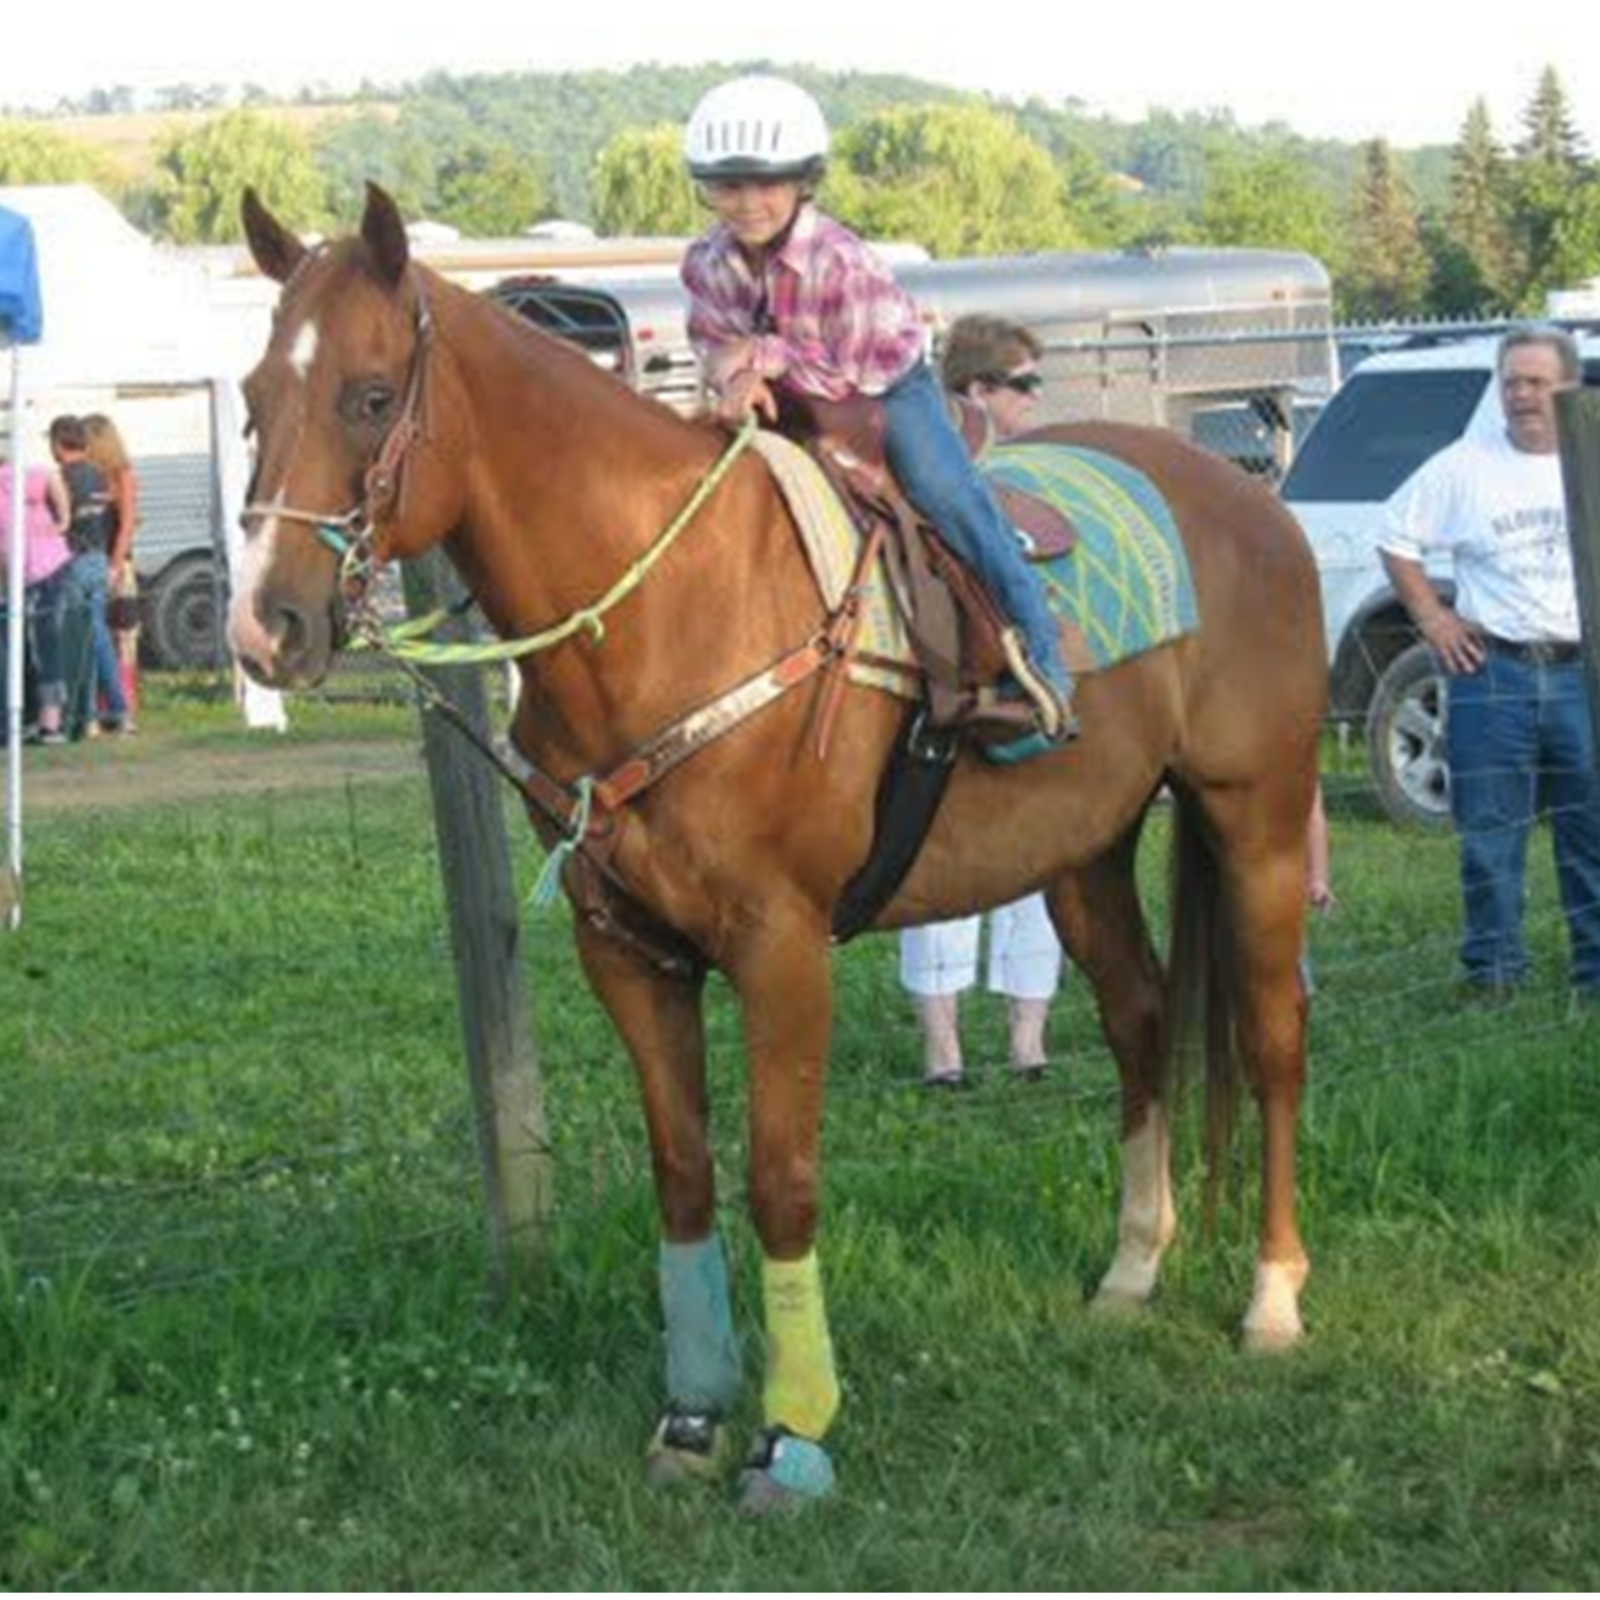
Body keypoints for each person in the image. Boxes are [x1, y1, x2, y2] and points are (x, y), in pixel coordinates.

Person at [679, 74, 1073, 762]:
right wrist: (732, 376)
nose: (747, 203)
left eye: (766, 183)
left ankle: (1041, 658)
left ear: (804, 181)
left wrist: (762, 355)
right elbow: (712, 342)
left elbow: (853, 372)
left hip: (883, 390)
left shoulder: (839, 259)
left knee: (951, 499)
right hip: (783, 396)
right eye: (728, 185)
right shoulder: (706, 262)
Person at [1380, 324, 1600, 1002]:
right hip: (1493, 673)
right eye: (1511, 383)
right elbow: (1395, 534)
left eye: (1537, 382)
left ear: (1570, 386)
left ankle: (1595, 974)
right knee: (1489, 836)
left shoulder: (1590, 458)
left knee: (1590, 830)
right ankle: (1496, 975)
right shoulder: (1464, 466)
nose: (1522, 396)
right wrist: (1434, 618)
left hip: (1583, 674)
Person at [898, 314, 1070, 1084]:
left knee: (1034, 856)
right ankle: (946, 1047)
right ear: (979, 391)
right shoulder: (930, 471)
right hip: (947, 682)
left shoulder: (1024, 475)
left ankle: (1026, 1038)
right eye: (1025, 384)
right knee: (945, 858)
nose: (1036, 398)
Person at [49, 414, 129, 739]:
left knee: (79, 638)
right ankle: (106, 713)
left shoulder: (61, 478)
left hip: (74, 561)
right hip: (99, 559)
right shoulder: (100, 476)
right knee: (95, 637)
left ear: (57, 444)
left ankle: (97, 713)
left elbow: (58, 523)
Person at [0, 446, 73, 743]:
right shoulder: (23, 474)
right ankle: (45, 722)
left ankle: (43, 722)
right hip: (52, 565)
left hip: (32, 574)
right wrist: (64, 520)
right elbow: (53, 480)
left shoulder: (10, 480)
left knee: (37, 648)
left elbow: (4, 552)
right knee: (44, 647)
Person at [82, 413, 141, 731]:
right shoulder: (90, 476)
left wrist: (115, 566)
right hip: (94, 564)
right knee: (94, 636)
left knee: (122, 640)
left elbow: (128, 525)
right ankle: (100, 709)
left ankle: (123, 711)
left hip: (117, 566)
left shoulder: (123, 475)